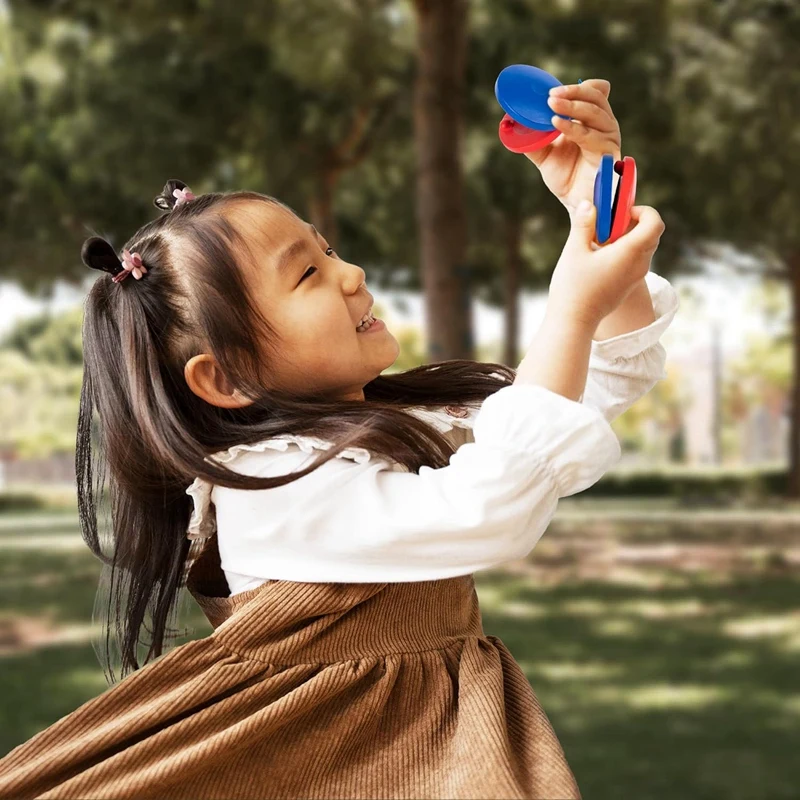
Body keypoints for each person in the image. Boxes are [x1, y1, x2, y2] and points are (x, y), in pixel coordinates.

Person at [0, 80, 678, 799]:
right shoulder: (276, 488)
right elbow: (492, 507)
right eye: (308, 273)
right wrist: (570, 307)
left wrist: (594, 220)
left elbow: (591, 382)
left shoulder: (377, 429)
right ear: (226, 378)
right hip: (338, 761)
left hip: (433, 740)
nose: (353, 275)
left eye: (329, 250)